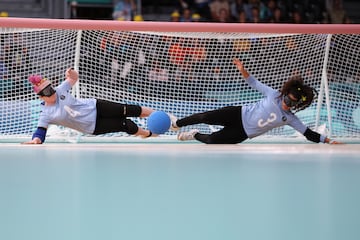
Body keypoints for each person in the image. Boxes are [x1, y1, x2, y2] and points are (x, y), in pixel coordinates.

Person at [171, 58, 341, 144]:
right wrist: (242, 70)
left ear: (297, 105)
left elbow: (308, 133)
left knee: (211, 141)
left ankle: (193, 134)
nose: (286, 105)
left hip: (242, 133)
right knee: (204, 117)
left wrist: (328, 141)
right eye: (287, 100)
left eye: (291, 105)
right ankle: (177, 123)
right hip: (238, 114)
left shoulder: (290, 118)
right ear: (285, 93)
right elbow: (253, 82)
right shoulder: (274, 95)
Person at [23, 68, 157, 144]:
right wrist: (36, 140)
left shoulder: (60, 90)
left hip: (95, 106)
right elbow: (40, 131)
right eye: (47, 92)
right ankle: (148, 134)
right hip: (91, 126)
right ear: (41, 97)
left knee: (128, 109)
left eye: (51, 88)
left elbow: (73, 79)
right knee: (126, 125)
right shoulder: (46, 114)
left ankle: (160, 114)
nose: (52, 93)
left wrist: (71, 73)